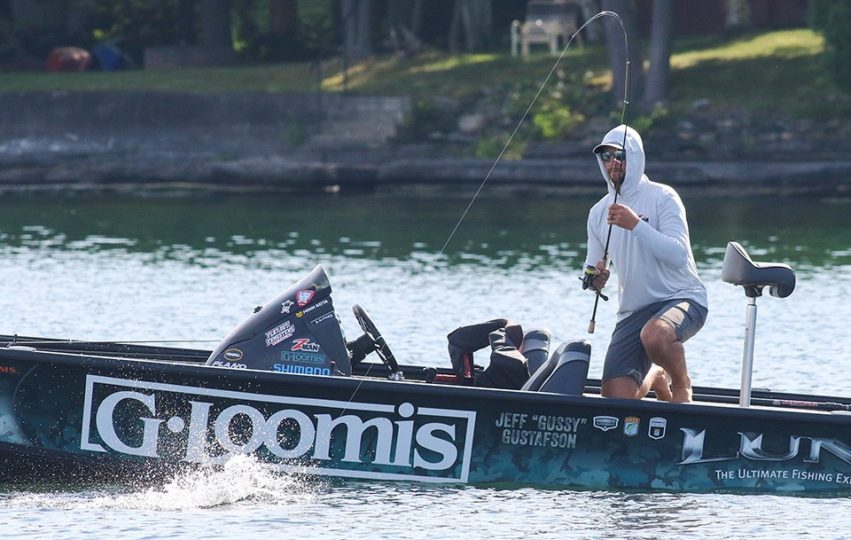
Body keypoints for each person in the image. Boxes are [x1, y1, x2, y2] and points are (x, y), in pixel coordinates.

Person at [582, 124, 708, 403]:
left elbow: (678, 256)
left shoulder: (663, 197)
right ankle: (655, 376)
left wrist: (635, 224)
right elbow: (591, 269)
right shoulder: (598, 213)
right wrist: (595, 279)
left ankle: (681, 384)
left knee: (655, 335)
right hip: (634, 311)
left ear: (636, 158)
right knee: (616, 400)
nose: (612, 163)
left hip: (682, 298)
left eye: (620, 156)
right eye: (606, 157)